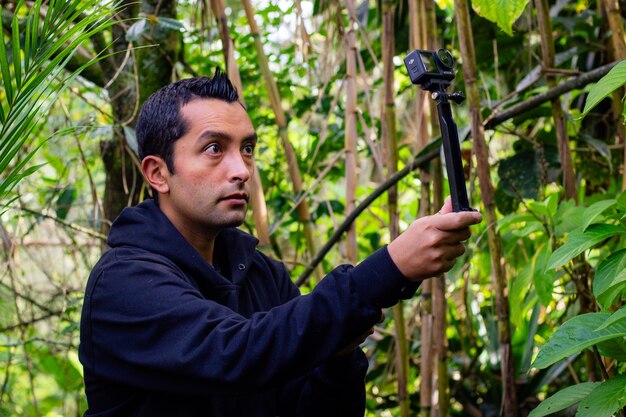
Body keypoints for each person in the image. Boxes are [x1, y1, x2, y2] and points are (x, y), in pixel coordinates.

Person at [78, 69, 482, 417]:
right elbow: (236, 354)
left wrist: (337, 354)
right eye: (214, 149)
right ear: (158, 173)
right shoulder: (122, 282)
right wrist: (387, 268)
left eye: (248, 149)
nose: (241, 170)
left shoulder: (259, 273)